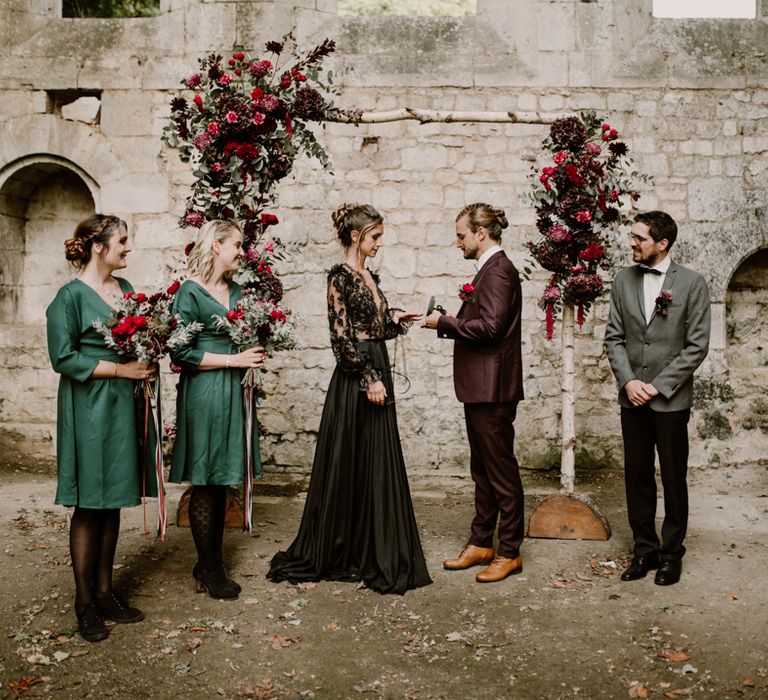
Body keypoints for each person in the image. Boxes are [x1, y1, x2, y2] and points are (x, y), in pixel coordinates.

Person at [267, 203, 431, 594]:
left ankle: (370, 546)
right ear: (356, 236)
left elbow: (374, 328)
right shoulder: (339, 277)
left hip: (377, 364)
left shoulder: (368, 276)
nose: (379, 244)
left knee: (375, 458)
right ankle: (342, 548)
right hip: (357, 375)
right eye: (375, 237)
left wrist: (396, 321)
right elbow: (340, 340)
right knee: (350, 458)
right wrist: (369, 378)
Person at [46, 214, 156, 642]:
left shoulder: (125, 291)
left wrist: (149, 354)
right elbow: (63, 357)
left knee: (112, 501)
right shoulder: (69, 298)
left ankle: (107, 592)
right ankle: (84, 603)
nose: (128, 248)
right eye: (122, 241)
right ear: (98, 246)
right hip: (89, 407)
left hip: (122, 408)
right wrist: (121, 370)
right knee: (90, 503)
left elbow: (138, 340)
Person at [605, 210, 710, 586]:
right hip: (631, 398)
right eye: (631, 236)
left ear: (662, 243)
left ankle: (671, 554)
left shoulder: (693, 284)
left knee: (673, 475)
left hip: (670, 401)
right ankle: (644, 550)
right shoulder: (623, 279)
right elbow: (614, 337)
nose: (631, 243)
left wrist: (659, 385)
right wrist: (629, 381)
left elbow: (697, 346)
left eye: (639, 238)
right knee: (636, 475)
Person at [423, 203, 525, 583]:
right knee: (482, 470)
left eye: (461, 235)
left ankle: (510, 551)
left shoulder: (499, 271)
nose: (458, 243)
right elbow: (483, 321)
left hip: (493, 389)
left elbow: (493, 327)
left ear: (481, 233)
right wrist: (451, 320)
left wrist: (444, 322)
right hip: (480, 388)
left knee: (500, 472)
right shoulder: (489, 270)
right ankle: (482, 541)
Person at [170, 219, 267, 599]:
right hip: (206, 390)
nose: (242, 252)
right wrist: (234, 360)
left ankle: (208, 563)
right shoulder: (189, 293)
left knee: (223, 476)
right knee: (206, 476)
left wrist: (256, 351)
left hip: (236, 390)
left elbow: (247, 336)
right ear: (216, 246)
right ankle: (210, 566)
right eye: (237, 245)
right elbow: (181, 353)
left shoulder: (238, 290)